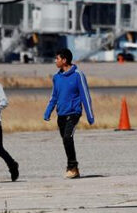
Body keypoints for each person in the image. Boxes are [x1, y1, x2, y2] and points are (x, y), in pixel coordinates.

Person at [44, 48, 95, 179]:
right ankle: (75, 169)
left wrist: (90, 115)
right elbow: (54, 96)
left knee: (68, 137)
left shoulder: (78, 75)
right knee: (66, 141)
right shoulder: (56, 77)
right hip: (61, 114)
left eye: (57, 58)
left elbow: (85, 95)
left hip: (73, 113)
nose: (55, 61)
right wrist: (48, 111)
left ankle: (71, 166)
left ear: (64, 60)